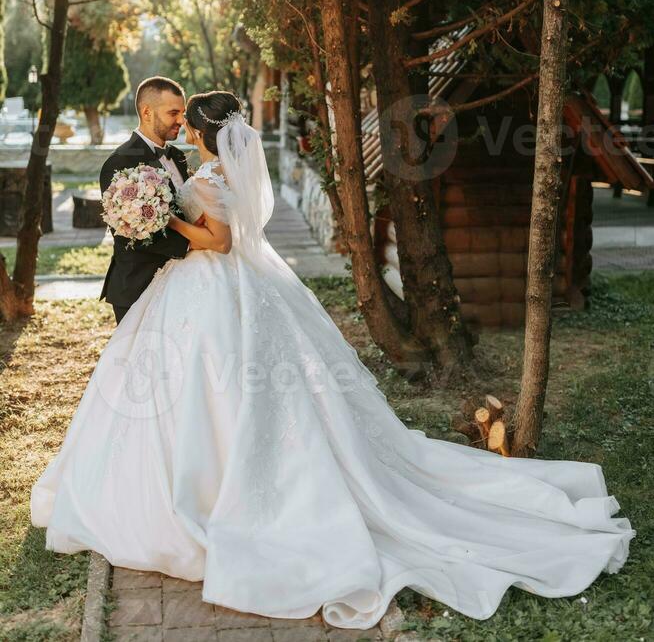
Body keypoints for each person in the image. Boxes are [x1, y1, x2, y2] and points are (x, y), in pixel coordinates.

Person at [30, 90, 634, 630]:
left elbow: (217, 240)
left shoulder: (208, 175)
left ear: (203, 132)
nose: (181, 125)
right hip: (223, 287)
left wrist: (169, 218)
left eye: (188, 120)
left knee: (204, 386)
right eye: (176, 116)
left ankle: (201, 491)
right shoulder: (216, 168)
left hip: (208, 280)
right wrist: (167, 211)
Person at [99, 76, 190, 325]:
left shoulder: (179, 157)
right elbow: (129, 233)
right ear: (147, 112)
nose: (181, 121)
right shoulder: (119, 163)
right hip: (137, 286)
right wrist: (194, 244)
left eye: (183, 113)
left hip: (181, 285)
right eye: (174, 112)